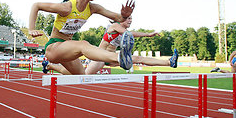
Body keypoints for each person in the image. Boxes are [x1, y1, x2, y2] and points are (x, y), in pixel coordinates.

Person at [29, 0, 135, 75]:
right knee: (83, 44)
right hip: (54, 47)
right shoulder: (66, 7)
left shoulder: (93, 8)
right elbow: (36, 5)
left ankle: (50, 66)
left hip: (67, 47)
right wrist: (31, 29)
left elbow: (119, 18)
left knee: (81, 75)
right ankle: (119, 58)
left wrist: (125, 15)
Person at [44, 15, 179, 75]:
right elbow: (129, 33)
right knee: (82, 74)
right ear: (121, 19)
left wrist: (148, 34)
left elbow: (130, 33)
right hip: (100, 58)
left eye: (131, 19)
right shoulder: (115, 26)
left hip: (113, 57)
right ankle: (51, 66)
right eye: (128, 19)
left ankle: (169, 62)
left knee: (137, 59)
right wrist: (147, 34)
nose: (130, 21)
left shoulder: (125, 32)